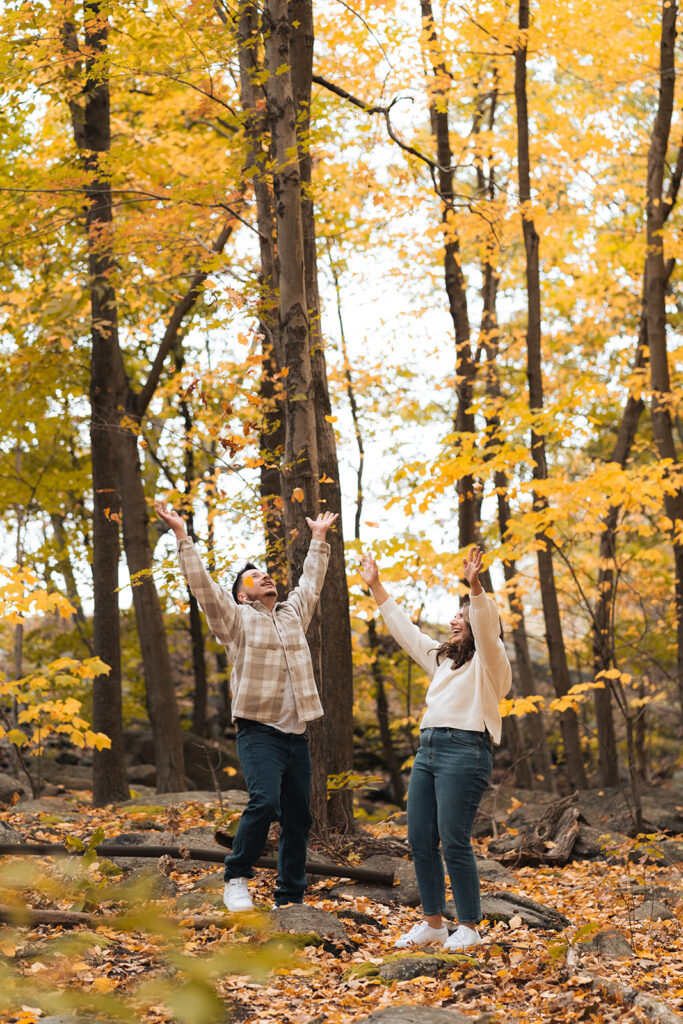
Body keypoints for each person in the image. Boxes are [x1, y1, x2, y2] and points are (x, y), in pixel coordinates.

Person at [155, 501, 338, 912]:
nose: (266, 577)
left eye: (268, 574)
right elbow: (202, 586)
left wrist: (319, 539)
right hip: (259, 731)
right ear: (242, 593)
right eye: (256, 577)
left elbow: (312, 582)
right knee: (265, 803)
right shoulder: (235, 619)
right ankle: (236, 876)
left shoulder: (292, 615)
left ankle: (289, 898)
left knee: (299, 819)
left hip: (297, 736)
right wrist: (182, 536)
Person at [360, 544, 511, 952]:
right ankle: (433, 923)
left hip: (465, 750)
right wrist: (376, 586)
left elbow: (485, 623)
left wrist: (475, 587)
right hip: (427, 751)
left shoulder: (492, 663)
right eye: (455, 615)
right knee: (419, 838)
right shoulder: (444, 662)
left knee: (453, 838)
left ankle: (470, 927)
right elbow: (407, 633)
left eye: (462, 616)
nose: (454, 620)